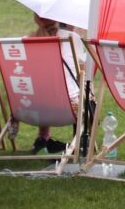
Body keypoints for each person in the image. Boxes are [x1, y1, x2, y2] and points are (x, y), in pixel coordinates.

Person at [26, 14, 86, 154]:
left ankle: (43, 137)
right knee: (83, 86)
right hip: (69, 109)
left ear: (36, 18)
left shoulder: (28, 41)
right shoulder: (72, 38)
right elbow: (82, 67)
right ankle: (80, 139)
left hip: (32, 108)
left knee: (43, 87)